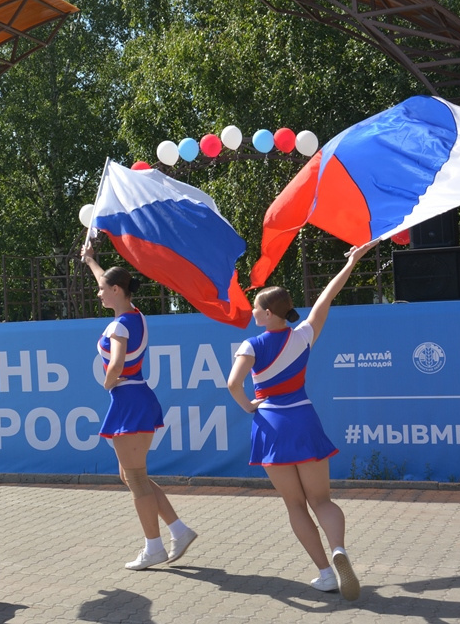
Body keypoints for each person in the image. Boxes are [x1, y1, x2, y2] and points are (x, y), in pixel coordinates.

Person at [226, 243, 375, 601]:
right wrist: (352, 262)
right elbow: (327, 295)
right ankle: (338, 549)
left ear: (265, 313)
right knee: (321, 499)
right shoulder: (304, 334)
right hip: (304, 418)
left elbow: (232, 384)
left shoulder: (251, 344)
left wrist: (249, 407)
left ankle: (325, 572)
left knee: (295, 504)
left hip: (271, 424)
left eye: (256, 307)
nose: (253, 312)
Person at [80, 243, 197, 571]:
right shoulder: (135, 316)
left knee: (135, 478)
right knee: (133, 476)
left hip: (129, 399)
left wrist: (107, 381)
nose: (98, 293)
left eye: (102, 290)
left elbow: (116, 364)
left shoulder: (119, 326)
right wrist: (91, 260)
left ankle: (154, 547)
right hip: (137, 398)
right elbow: (109, 278)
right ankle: (179, 530)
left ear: (117, 290)